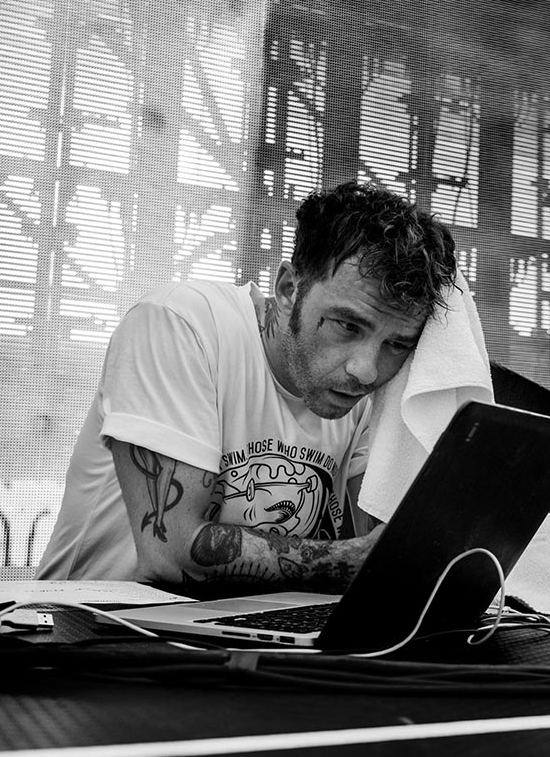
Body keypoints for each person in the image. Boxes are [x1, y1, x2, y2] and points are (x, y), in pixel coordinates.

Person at [36, 180, 458, 596]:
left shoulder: (366, 391)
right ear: (289, 290)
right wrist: (348, 561)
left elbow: (381, 547)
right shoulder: (180, 324)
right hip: (89, 624)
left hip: (246, 626)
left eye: (396, 344)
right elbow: (171, 554)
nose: (366, 371)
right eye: (348, 326)